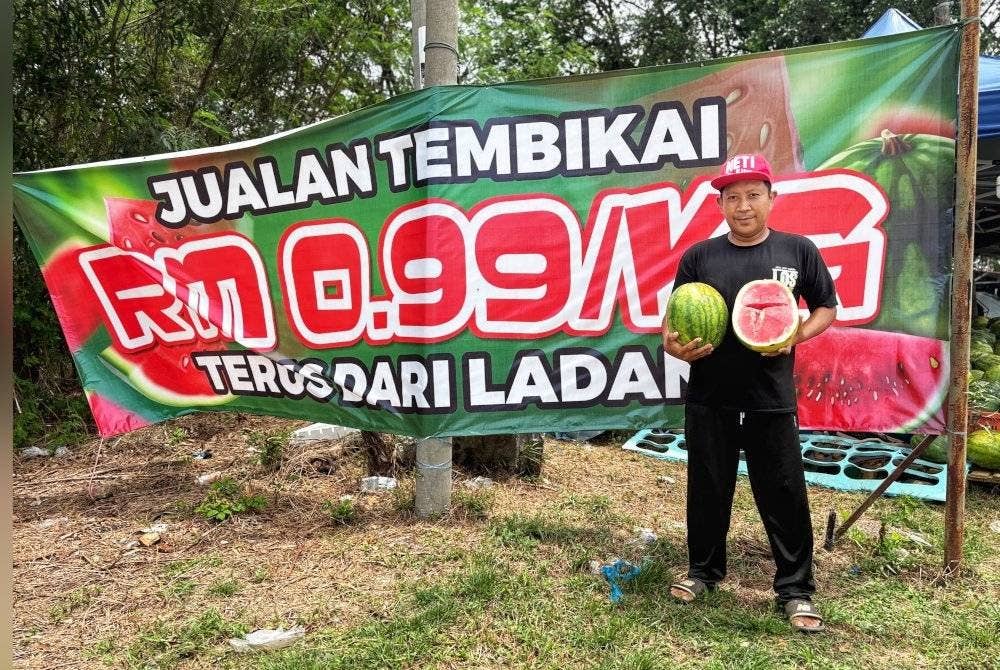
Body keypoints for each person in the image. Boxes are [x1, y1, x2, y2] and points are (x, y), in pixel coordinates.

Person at [662, 154, 838, 633]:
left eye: (753, 195)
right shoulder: (699, 257)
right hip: (710, 395)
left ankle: (796, 589)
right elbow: (672, 322)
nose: (743, 206)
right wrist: (674, 345)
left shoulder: (798, 251)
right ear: (720, 204)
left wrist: (796, 335)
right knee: (707, 488)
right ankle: (703, 572)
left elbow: (826, 307)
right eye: (732, 197)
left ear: (771, 198)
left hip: (771, 396)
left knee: (783, 492)